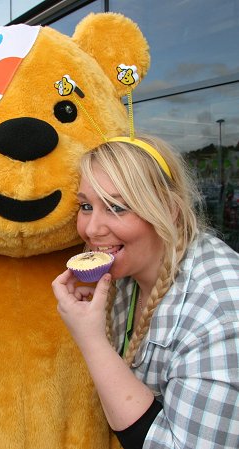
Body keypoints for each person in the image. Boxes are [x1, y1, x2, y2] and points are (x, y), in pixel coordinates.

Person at [52, 135, 239, 449]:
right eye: (86, 206)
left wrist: (92, 340)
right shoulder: (127, 273)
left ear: (167, 209)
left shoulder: (221, 314)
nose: (92, 229)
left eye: (116, 207)